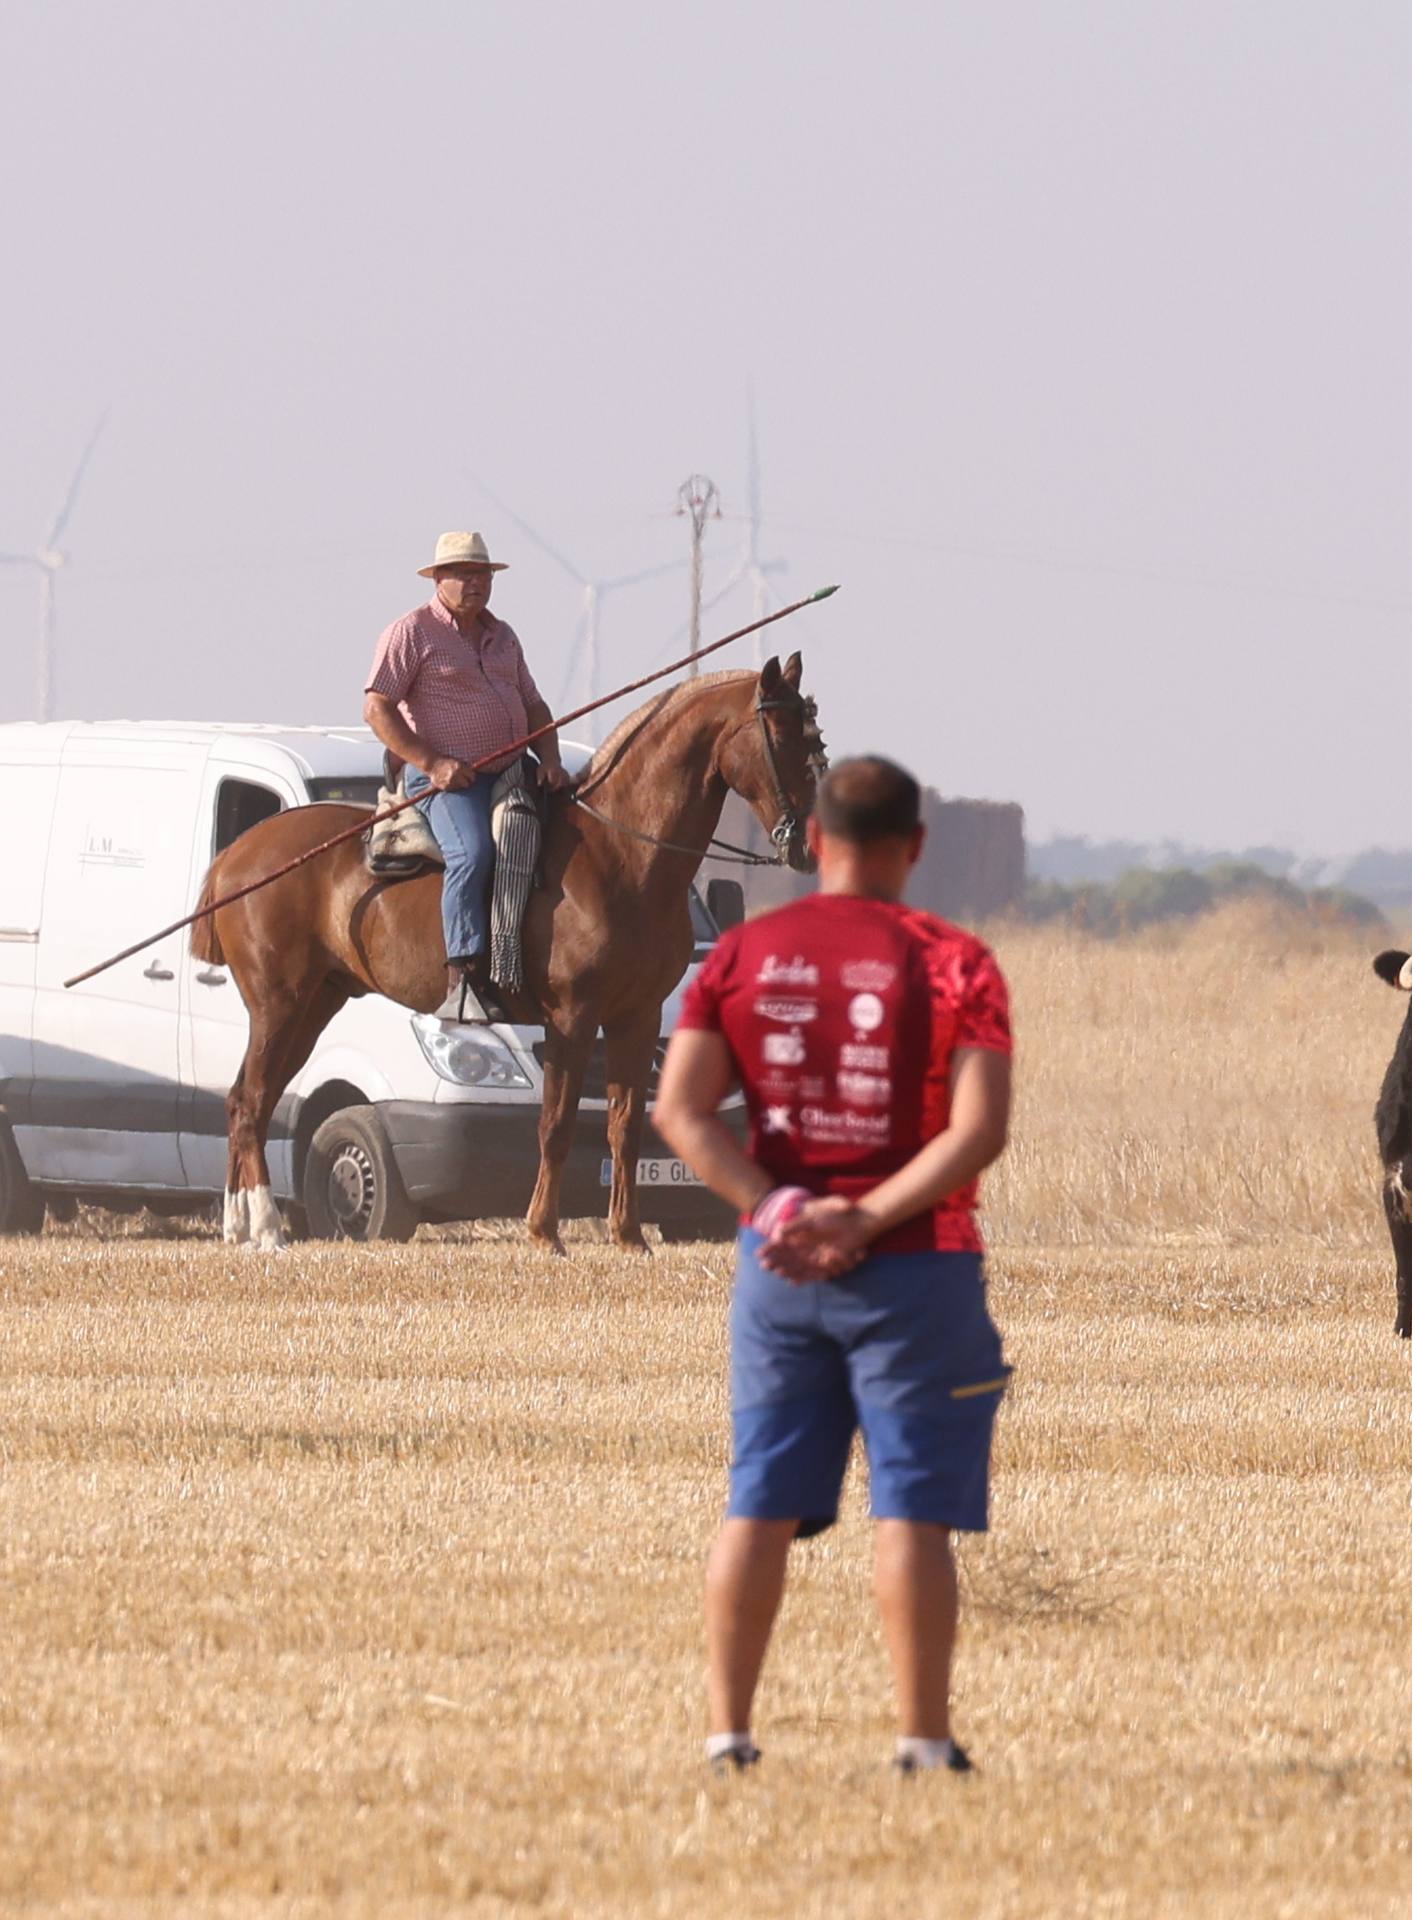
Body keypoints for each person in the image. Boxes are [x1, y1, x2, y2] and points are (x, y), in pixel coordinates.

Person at [653, 754, 1015, 1778]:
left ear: (813, 841)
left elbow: (679, 1111)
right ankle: (921, 1742)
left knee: (758, 1500)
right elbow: (979, 1130)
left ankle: (727, 1737)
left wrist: (780, 1206)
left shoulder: (740, 957)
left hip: (778, 1269)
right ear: (915, 849)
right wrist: (866, 1218)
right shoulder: (959, 963)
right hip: (918, 1268)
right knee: (912, 1508)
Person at [362, 532, 573, 1022]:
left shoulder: (505, 636)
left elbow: (534, 703)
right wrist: (433, 764)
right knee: (474, 852)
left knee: (571, 837)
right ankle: (463, 976)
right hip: (445, 779)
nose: (475, 583)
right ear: (439, 579)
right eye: (463, 573)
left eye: (482, 574)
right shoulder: (410, 632)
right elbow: (377, 708)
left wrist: (550, 757)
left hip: (511, 770)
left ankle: (533, 957)